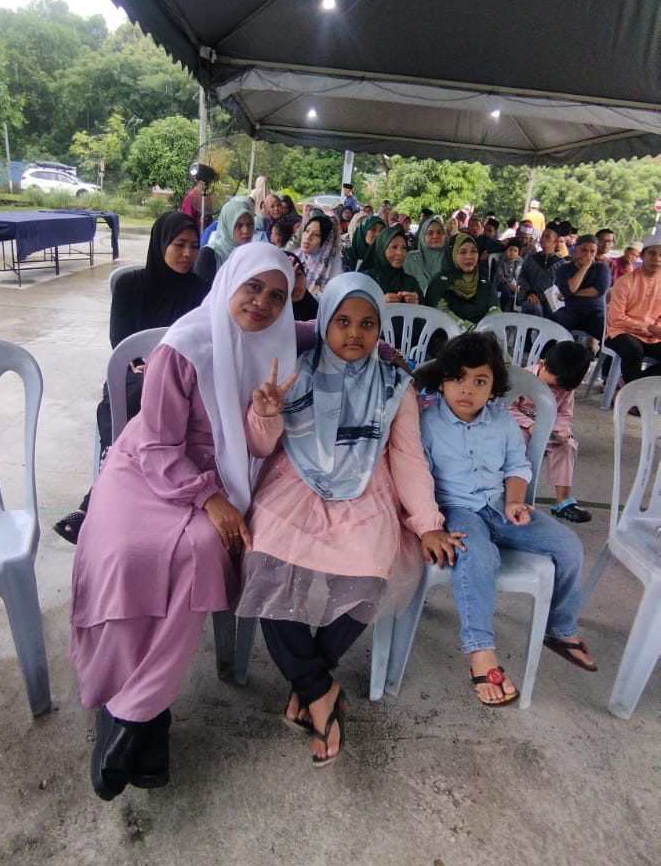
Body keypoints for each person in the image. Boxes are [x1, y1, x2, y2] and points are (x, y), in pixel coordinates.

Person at [70, 245, 298, 800]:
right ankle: (143, 718)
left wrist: (267, 416)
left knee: (199, 554)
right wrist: (209, 498)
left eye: (277, 296)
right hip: (150, 468)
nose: (262, 304)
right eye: (253, 287)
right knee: (129, 555)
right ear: (230, 282)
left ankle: (131, 714)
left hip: (223, 473)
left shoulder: (276, 346)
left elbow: (259, 442)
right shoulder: (185, 344)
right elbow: (157, 444)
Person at [236, 273, 462, 765]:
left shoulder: (394, 386)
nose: (354, 333)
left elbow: (408, 458)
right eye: (342, 321)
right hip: (295, 481)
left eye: (367, 323)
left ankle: (309, 683)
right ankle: (320, 689)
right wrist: (266, 414)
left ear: (380, 328)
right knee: (266, 560)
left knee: (371, 569)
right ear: (324, 322)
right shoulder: (295, 371)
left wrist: (427, 521)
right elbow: (260, 446)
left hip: (365, 487)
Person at [416, 332, 596, 706]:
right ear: (442, 380)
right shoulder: (428, 424)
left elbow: (517, 465)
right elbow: (419, 479)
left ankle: (559, 628)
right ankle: (480, 650)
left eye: (480, 381)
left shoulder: (501, 422)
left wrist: (515, 501)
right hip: (457, 510)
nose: (468, 389)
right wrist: (429, 526)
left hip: (501, 506)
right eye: (458, 377)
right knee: (478, 556)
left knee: (568, 546)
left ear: (494, 387)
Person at [52, 212, 208, 546]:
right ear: (161, 244)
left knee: (169, 401)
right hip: (134, 374)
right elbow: (120, 339)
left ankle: (93, 502)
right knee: (138, 396)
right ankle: (106, 496)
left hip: (182, 380)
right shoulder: (129, 286)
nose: (187, 254)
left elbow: (202, 344)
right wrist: (142, 364)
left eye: (194, 246)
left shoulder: (201, 291)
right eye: (179, 244)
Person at [509, 341, 593, 523]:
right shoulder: (522, 379)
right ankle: (515, 497)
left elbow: (564, 414)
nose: (553, 391)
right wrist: (529, 425)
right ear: (542, 364)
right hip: (520, 427)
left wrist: (562, 431)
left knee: (568, 446)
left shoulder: (565, 387)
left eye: (559, 389)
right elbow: (508, 408)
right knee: (519, 444)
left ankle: (562, 500)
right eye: (551, 385)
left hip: (548, 429)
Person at [605, 238, 661, 383]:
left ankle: (633, 384)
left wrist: (656, 329)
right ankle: (632, 391)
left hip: (652, 336)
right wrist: (648, 327)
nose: (657, 259)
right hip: (621, 332)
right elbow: (616, 318)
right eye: (652, 254)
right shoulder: (625, 281)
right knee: (634, 351)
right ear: (642, 256)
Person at [424, 234, 500, 328]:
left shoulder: (483, 282)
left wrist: (484, 328)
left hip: (483, 333)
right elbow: (442, 313)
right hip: (449, 334)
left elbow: (495, 310)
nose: (469, 257)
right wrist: (470, 329)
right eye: (462, 252)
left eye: (474, 251)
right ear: (452, 255)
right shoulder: (440, 282)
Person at [551, 234, 610, 342]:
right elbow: (569, 289)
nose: (588, 255)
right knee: (554, 324)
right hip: (571, 311)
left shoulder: (601, 268)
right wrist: (585, 267)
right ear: (575, 250)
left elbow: (598, 291)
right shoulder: (564, 269)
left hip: (595, 312)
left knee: (610, 333)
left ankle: (600, 351)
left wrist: (569, 294)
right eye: (584, 250)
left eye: (592, 251)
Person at [194, 195, 255, 285]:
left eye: (249, 224)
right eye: (238, 225)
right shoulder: (210, 255)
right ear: (227, 226)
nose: (246, 230)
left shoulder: (252, 254)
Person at [359, 224, 423, 303]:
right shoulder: (366, 280)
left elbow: (426, 309)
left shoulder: (411, 283)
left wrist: (417, 302)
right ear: (381, 250)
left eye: (404, 248)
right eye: (394, 247)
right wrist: (380, 301)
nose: (400, 253)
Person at [293, 208, 343, 296]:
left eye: (316, 234)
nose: (308, 237)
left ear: (327, 242)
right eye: (307, 231)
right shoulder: (294, 259)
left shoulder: (334, 277)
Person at [517, 225, 564, 317]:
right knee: (535, 308)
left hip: (551, 299)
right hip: (530, 296)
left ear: (556, 241)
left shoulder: (561, 263)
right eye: (542, 236)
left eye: (547, 237)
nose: (543, 239)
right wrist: (529, 292)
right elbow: (522, 277)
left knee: (554, 311)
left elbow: (563, 285)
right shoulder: (531, 259)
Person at [403, 215, 446, 296]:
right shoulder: (410, 259)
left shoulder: (451, 259)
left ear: (444, 235)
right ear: (423, 236)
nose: (435, 236)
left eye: (439, 232)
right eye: (430, 233)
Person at [287, 253, 319, 319]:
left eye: (298, 275)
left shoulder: (319, 309)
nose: (295, 285)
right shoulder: (270, 319)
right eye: (287, 279)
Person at [495, 240, 523, 311]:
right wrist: (510, 285)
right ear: (506, 251)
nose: (512, 252)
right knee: (506, 291)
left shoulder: (518, 262)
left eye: (515, 251)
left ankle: (513, 310)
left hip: (514, 284)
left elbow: (520, 276)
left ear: (518, 253)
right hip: (502, 284)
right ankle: (502, 310)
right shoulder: (501, 262)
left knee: (521, 292)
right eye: (510, 250)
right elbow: (499, 277)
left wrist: (517, 286)